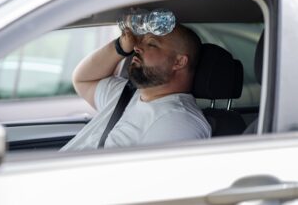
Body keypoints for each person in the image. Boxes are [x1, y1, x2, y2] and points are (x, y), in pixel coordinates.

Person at [60, 24, 211, 151]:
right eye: (139, 42)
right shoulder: (125, 93)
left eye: (151, 44)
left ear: (179, 62)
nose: (136, 47)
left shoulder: (178, 122)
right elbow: (83, 80)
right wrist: (121, 46)